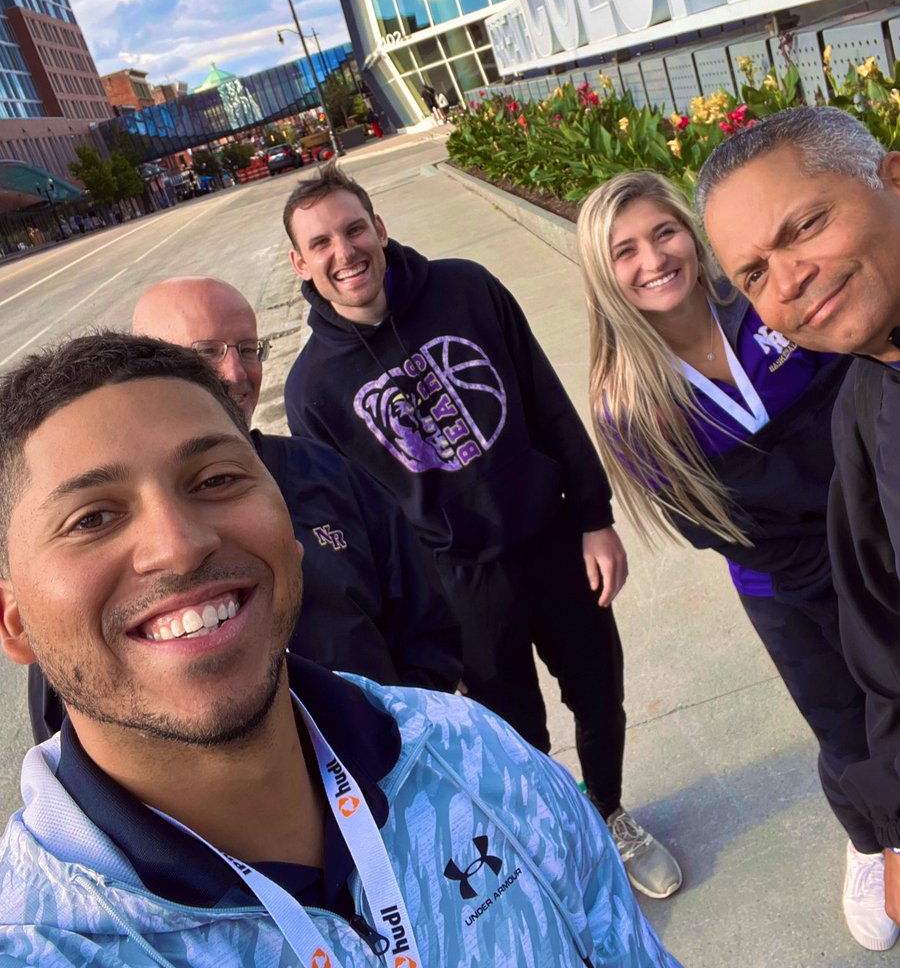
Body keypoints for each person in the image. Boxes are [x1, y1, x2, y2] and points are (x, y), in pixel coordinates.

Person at [0, 332, 682, 968]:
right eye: (92, 519)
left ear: (291, 525)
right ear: (15, 623)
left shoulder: (472, 757)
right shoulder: (40, 940)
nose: (179, 544)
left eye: (215, 480)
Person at [280, 164, 682, 899]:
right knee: (512, 736)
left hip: (554, 542)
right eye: (322, 242)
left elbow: (546, 400)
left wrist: (594, 518)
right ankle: (562, 840)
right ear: (300, 263)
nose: (345, 251)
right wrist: (420, 639)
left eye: (354, 228)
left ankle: (611, 812)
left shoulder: (465, 288)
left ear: (379, 228)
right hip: (457, 586)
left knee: (600, 698)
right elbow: (359, 532)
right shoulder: (312, 388)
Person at [577, 170, 885, 950]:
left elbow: (860, 395)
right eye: (625, 251)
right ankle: (873, 841)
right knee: (845, 726)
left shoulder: (767, 302)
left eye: (664, 232)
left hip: (879, 528)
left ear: (692, 231)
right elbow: (708, 527)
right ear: (601, 274)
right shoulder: (628, 400)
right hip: (784, 580)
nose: (654, 259)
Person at [26, 278, 462, 743]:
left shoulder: (326, 473)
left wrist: (404, 737)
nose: (235, 372)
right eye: (206, 352)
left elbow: (424, 623)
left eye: (249, 348)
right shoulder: (74, 577)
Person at [695, 107, 900, 927]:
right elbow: (885, 649)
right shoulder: (863, 410)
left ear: (891, 179)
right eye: (752, 273)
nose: (788, 280)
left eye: (806, 225)